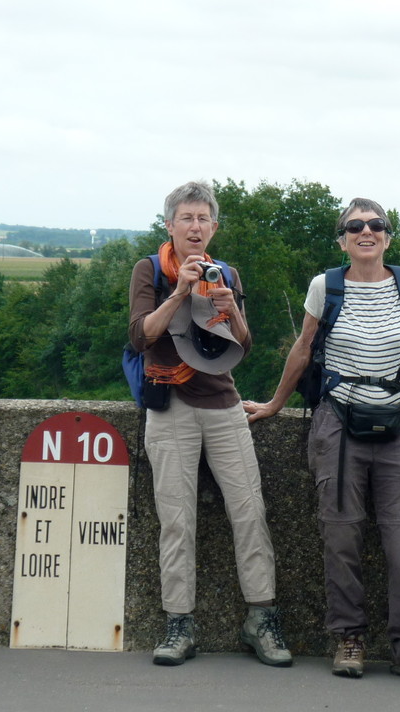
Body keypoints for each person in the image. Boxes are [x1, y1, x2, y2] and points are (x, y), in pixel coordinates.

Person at [245, 198, 400, 682]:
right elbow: (305, 347)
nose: (366, 232)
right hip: (338, 420)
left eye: (376, 225)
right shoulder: (325, 286)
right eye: (354, 226)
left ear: (389, 237)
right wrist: (276, 403)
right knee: (341, 532)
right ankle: (349, 639)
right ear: (342, 240)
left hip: (396, 419)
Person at [127, 181, 291, 668]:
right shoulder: (150, 270)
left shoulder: (226, 272)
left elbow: (243, 343)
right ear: (170, 226)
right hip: (170, 406)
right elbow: (141, 336)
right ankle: (179, 624)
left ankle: (262, 618)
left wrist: (230, 308)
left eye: (204, 219)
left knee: (250, 513)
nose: (195, 227)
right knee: (176, 521)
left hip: (222, 405)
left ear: (214, 227)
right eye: (187, 218)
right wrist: (180, 292)